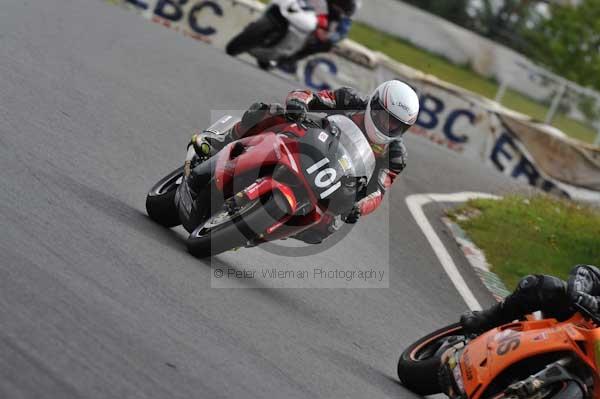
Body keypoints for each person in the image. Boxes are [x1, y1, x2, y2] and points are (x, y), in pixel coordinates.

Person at [188, 80, 420, 244]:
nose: (387, 126)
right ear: (375, 104)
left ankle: (265, 229)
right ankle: (223, 140)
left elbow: (378, 191)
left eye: (396, 125)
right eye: (385, 117)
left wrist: (358, 206)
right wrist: (299, 103)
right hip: (308, 144)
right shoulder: (350, 100)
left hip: (334, 184)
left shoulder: (395, 154)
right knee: (269, 112)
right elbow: (311, 96)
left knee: (324, 229)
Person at [461, 264, 600, 334]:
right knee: (546, 286)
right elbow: (586, 272)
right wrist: (582, 296)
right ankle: (486, 320)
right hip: (565, 323)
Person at [278, 0, 360, 73]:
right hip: (305, 10)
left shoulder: (351, 7)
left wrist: (328, 37)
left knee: (326, 45)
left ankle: (291, 59)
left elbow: (342, 32)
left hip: (320, 23)